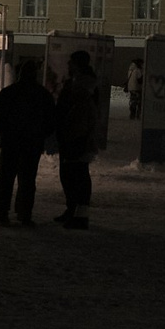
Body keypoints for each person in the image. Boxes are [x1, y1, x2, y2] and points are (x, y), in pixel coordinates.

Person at [0, 57, 53, 225]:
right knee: (27, 179)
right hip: (32, 143)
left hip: (11, 140)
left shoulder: (10, 92)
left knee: (5, 177)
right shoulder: (42, 95)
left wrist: (0, 133)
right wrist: (41, 135)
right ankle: (24, 213)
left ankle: (0, 211)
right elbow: (51, 119)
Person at [53, 50, 101, 229]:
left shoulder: (83, 86)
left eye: (71, 62)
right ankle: (73, 210)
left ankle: (80, 215)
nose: (68, 65)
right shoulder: (77, 83)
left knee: (77, 176)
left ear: (77, 64)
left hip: (77, 137)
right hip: (73, 135)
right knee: (70, 175)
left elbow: (79, 114)